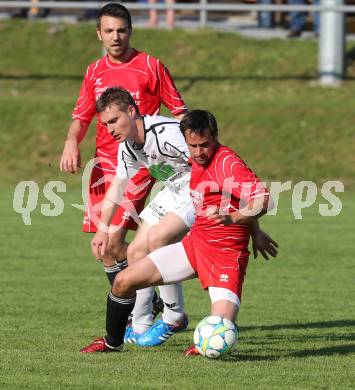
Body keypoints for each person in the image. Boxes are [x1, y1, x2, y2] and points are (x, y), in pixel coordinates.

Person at [80, 109, 278, 353]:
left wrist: (236, 217)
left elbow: (264, 200)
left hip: (225, 258)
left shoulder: (228, 163)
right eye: (192, 146)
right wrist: (255, 231)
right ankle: (113, 343)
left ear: (215, 136)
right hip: (193, 248)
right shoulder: (193, 159)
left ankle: (191, 332)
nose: (198, 152)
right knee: (123, 280)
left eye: (204, 145)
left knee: (219, 326)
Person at [59, 3, 187, 333]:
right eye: (109, 31)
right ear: (99, 34)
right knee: (106, 249)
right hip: (106, 168)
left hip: (142, 166)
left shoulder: (150, 66)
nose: (116, 37)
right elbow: (81, 116)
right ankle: (145, 298)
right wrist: (71, 142)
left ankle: (146, 310)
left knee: (122, 239)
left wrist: (194, 151)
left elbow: (179, 111)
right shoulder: (94, 72)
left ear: (131, 31)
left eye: (122, 30)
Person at [86, 86, 194, 348]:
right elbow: (117, 187)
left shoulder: (167, 133)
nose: (110, 129)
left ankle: (173, 317)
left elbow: (206, 158)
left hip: (196, 189)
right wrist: (102, 229)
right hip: (172, 190)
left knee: (158, 240)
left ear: (132, 111)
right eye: (105, 124)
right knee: (134, 252)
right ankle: (141, 324)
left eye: (114, 120)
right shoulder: (129, 147)